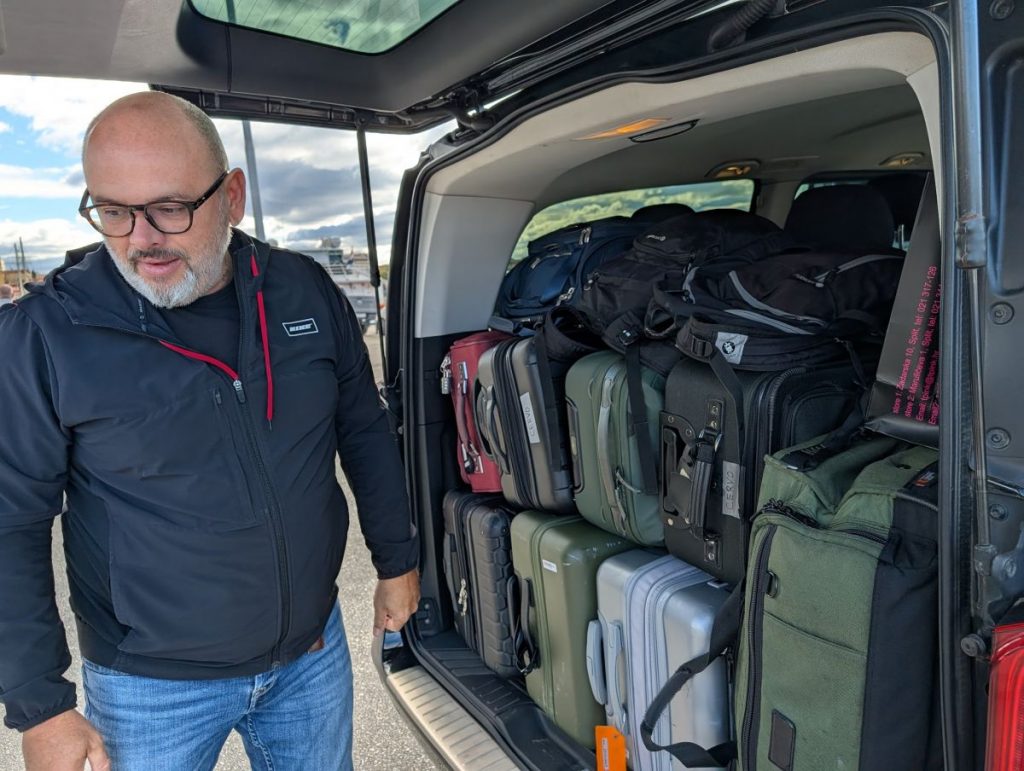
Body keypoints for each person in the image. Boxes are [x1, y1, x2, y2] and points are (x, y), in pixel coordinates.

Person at [0, 92, 420, 771]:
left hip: (309, 658)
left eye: (169, 207)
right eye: (113, 210)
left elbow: (363, 428)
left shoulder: (304, 291)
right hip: (149, 690)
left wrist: (396, 561)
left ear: (231, 196)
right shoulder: (45, 334)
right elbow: (9, 519)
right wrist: (39, 703)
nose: (141, 238)